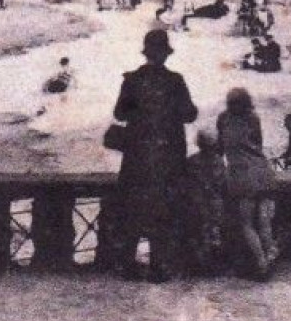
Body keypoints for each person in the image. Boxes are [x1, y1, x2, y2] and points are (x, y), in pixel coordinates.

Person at [109, 28, 198, 281]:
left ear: (146, 53)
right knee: (164, 210)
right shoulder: (175, 81)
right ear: (166, 55)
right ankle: (159, 267)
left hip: (137, 156)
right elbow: (190, 114)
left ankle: (127, 264)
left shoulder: (132, 80)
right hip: (168, 157)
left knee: (133, 208)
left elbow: (120, 114)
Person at [217, 87, 277, 280]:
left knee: (246, 224)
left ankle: (261, 264)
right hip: (262, 170)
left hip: (242, 174)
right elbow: (258, 143)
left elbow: (220, 148)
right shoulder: (253, 117)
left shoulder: (223, 119)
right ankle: (270, 255)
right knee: (264, 221)